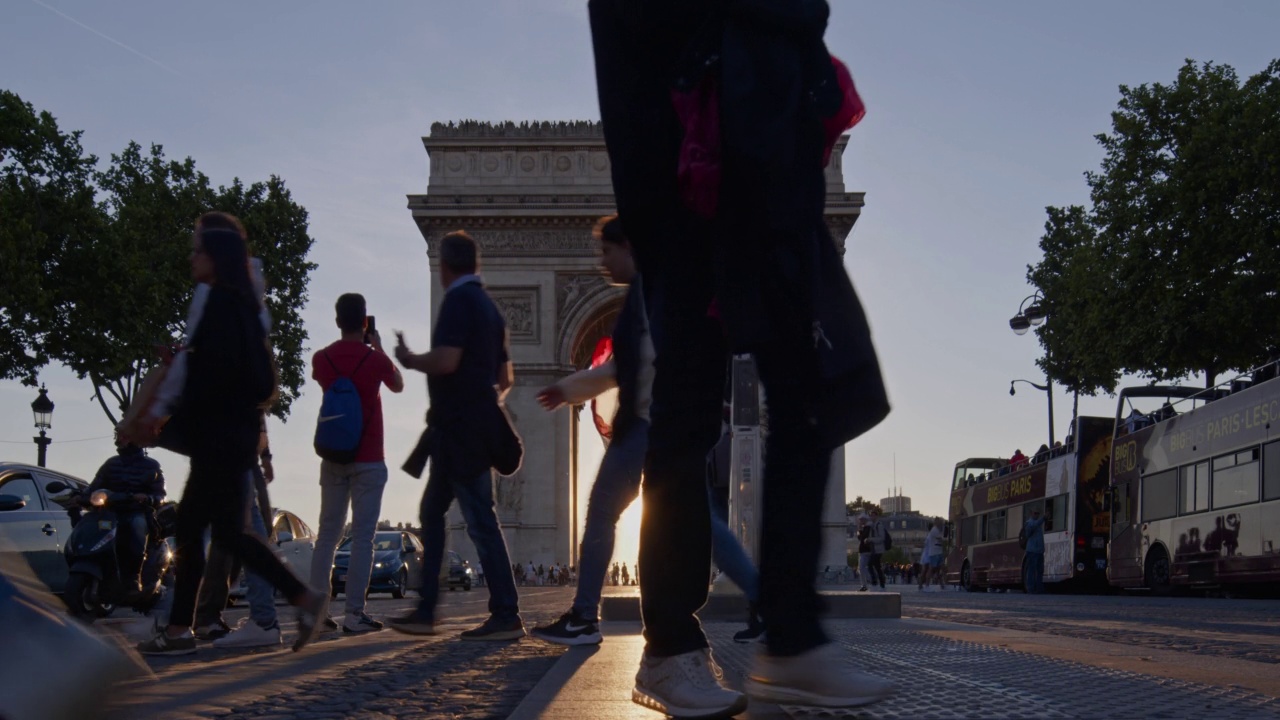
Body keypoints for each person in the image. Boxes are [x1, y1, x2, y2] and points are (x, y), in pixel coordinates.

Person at [590, 1, 895, 713]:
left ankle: (791, 636)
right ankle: (668, 647)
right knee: (688, 404)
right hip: (688, 164)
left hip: (771, 152)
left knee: (809, 386)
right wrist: (650, 218)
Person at [131, 212, 325, 656]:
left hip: (217, 435)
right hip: (232, 435)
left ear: (215, 257)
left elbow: (193, 372)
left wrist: (157, 414)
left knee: (221, 533)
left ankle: (188, 629)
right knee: (209, 530)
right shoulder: (243, 305)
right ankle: (185, 628)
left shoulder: (217, 303)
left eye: (198, 249)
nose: (191, 256)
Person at [390, 230, 524, 640]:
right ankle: (427, 609)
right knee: (434, 513)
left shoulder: (457, 301)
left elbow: (447, 360)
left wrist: (410, 359)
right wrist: (482, 399)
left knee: (480, 520)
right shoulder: (492, 310)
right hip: (468, 430)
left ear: (445, 266)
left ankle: (504, 613)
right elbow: (506, 379)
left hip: (459, 431)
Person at [309, 293, 405, 634]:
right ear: (365, 322)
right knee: (363, 537)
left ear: (337, 321)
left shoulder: (322, 359)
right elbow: (398, 385)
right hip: (368, 458)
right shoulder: (374, 359)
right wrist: (377, 348)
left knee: (327, 537)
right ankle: (354, 614)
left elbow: (323, 382)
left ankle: (318, 615)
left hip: (333, 455)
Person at [193, 437, 282, 647]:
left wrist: (265, 456)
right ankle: (259, 617)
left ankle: (262, 619)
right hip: (234, 451)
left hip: (236, 451)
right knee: (238, 531)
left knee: (243, 531)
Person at [87, 439, 166, 601]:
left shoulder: (151, 465)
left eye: (123, 438)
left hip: (136, 511)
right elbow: (94, 486)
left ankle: (134, 578)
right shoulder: (110, 464)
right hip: (110, 512)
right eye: (118, 437)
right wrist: (79, 497)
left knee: (137, 526)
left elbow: (160, 495)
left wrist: (148, 499)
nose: (118, 441)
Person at [918, 518, 946, 592]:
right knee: (929, 570)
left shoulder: (936, 531)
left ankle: (941, 585)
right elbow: (941, 539)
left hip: (933, 552)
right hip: (930, 553)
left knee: (936, 569)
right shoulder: (934, 531)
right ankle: (923, 585)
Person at [1023, 508, 1046, 594]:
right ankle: (1031, 588)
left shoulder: (1038, 524)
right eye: (1035, 513)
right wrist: (1042, 519)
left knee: (1040, 571)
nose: (1037, 515)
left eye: (1038, 514)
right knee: (1031, 570)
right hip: (1032, 551)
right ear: (1031, 513)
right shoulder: (1029, 523)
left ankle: (1039, 588)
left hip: (1039, 551)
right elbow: (1029, 531)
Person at [869, 510, 887, 590]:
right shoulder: (873, 525)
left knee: (871, 565)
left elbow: (881, 538)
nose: (871, 517)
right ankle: (880, 584)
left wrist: (871, 539)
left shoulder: (879, 525)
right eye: (871, 515)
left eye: (873, 515)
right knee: (877, 567)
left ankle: (876, 583)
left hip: (878, 549)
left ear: (877, 516)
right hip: (874, 549)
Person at [855, 516, 872, 592]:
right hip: (865, 551)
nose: (860, 522)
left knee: (862, 568)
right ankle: (864, 585)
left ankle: (865, 585)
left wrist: (859, 531)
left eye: (861, 520)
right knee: (862, 568)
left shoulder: (867, 528)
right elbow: (860, 539)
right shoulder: (865, 528)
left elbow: (861, 538)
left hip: (866, 551)